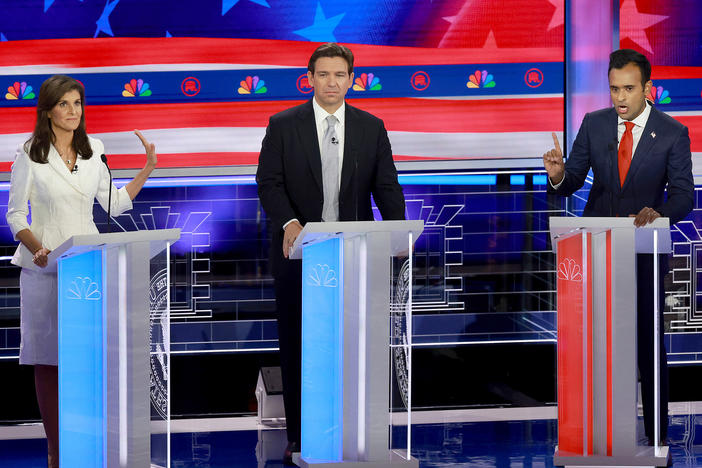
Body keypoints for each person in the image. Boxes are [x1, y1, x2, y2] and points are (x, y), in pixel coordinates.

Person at [256, 43, 406, 464]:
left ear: (352, 80)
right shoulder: (283, 125)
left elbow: (387, 188)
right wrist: (290, 223)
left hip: (353, 257)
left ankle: (354, 429)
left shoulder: (370, 127)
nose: (332, 83)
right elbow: (269, 183)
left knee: (353, 345)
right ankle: (301, 437)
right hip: (297, 255)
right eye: (324, 75)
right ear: (310, 78)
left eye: (340, 75)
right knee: (300, 345)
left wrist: (398, 236)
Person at [543, 49, 694, 448]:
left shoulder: (673, 132)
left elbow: (684, 196)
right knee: (593, 341)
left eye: (628, 89)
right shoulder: (594, 125)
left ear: (647, 88)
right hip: (595, 250)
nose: (620, 98)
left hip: (645, 250)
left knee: (647, 343)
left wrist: (658, 211)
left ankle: (657, 433)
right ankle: (592, 430)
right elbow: (573, 178)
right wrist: (558, 176)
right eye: (614, 89)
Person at [5, 75, 158, 468]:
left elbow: (113, 204)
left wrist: (147, 170)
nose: (73, 112)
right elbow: (15, 214)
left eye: (77, 104)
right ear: (48, 110)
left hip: (88, 266)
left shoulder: (95, 150)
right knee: (49, 360)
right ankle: (56, 450)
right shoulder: (29, 153)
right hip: (45, 266)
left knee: (88, 360)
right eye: (64, 105)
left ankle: (90, 447)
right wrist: (36, 246)